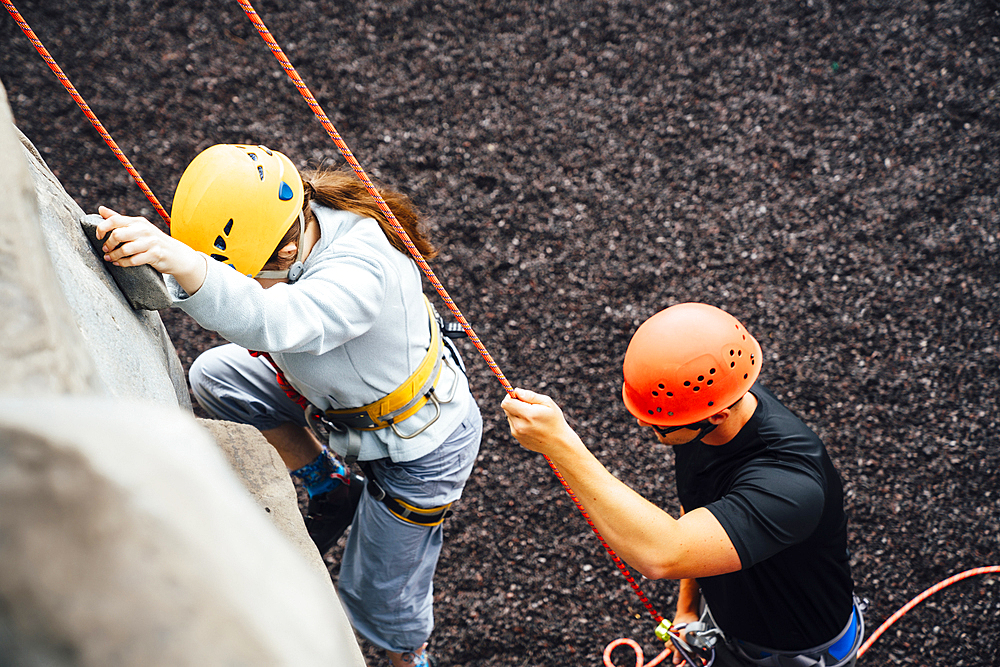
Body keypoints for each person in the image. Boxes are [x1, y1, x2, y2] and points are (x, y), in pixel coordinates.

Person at [96, 143, 482, 667]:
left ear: (282, 252)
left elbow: (274, 320)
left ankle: (408, 657)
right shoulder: (293, 223)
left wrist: (179, 259)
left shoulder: (359, 267)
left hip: (418, 446)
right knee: (217, 376)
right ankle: (333, 485)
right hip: (345, 404)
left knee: (378, 592)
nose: (235, 277)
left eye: (242, 270)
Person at [501, 302, 863, 667]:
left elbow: (663, 553)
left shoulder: (791, 485)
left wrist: (561, 445)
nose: (645, 426)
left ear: (717, 415)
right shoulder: (707, 412)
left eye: (659, 424)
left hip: (794, 652)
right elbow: (695, 508)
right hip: (731, 622)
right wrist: (687, 610)